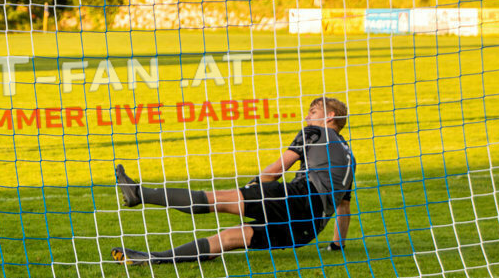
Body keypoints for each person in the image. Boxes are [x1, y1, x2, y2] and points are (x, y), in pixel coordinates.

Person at [112, 97, 356, 265]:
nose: (307, 117)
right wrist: (337, 245)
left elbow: (278, 169)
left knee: (215, 200)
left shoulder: (316, 132)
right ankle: (154, 258)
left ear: (330, 116)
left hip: (297, 198)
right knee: (229, 238)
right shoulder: (350, 157)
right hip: (309, 229)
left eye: (313, 112)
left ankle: (138, 194)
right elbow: (343, 208)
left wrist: (251, 189)